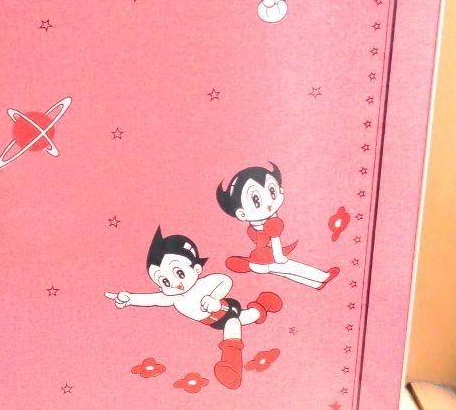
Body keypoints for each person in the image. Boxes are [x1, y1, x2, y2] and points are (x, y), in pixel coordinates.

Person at [105, 228, 282, 390]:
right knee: (245, 318)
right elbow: (152, 299)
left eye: (179, 273)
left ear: (196, 268)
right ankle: (263, 304)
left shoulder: (203, 284)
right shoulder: (172, 297)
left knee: (236, 322)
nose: (175, 284)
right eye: (165, 281)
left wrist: (214, 298)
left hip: (226, 310)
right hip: (211, 322)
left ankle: (231, 365)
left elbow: (225, 281)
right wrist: (130, 298)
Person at [216, 163, 339, 290]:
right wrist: (279, 257)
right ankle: (322, 276)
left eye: (272, 192)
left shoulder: (259, 225)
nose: (269, 203)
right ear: (241, 214)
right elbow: (275, 240)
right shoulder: (272, 224)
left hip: (257, 261)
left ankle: (316, 284)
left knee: (286, 273)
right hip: (267, 259)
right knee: (292, 268)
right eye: (256, 200)